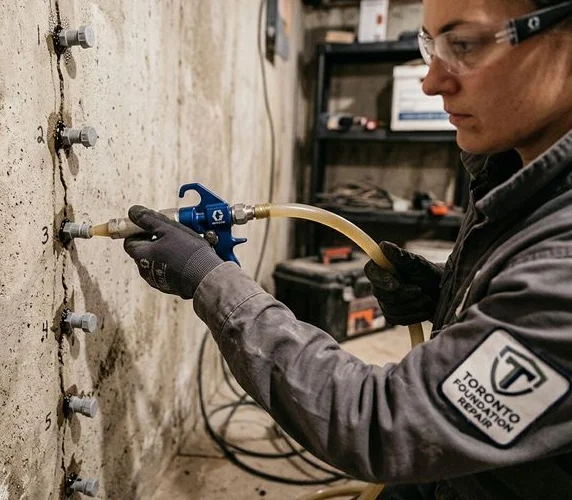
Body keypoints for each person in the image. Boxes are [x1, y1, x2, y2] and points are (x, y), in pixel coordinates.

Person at [122, 0, 572, 498]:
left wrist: (212, 282)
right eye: (432, 45)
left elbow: (384, 424)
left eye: (463, 45)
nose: (430, 82)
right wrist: (448, 294)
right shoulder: (522, 181)